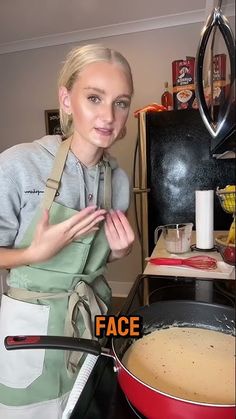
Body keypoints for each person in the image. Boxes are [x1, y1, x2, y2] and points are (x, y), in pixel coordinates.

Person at [0, 43, 135, 419]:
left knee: (87, 406)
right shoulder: (18, 166)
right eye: (94, 97)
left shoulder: (118, 181)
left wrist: (119, 252)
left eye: (120, 103)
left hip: (93, 317)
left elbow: (104, 256)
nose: (108, 115)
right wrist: (31, 254)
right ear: (66, 99)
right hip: (32, 328)